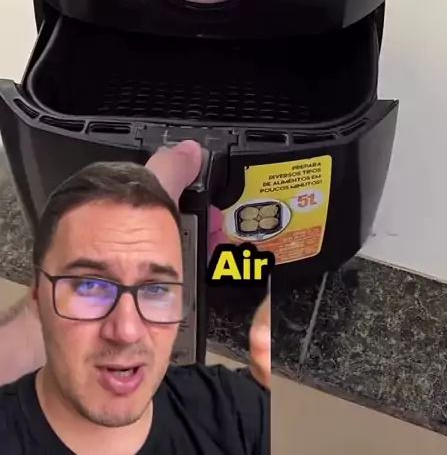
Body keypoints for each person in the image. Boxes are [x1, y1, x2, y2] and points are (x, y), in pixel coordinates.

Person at [0, 142, 270, 454]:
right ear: (37, 292)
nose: (127, 332)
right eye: (90, 286)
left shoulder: (231, 414)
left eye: (155, 288)